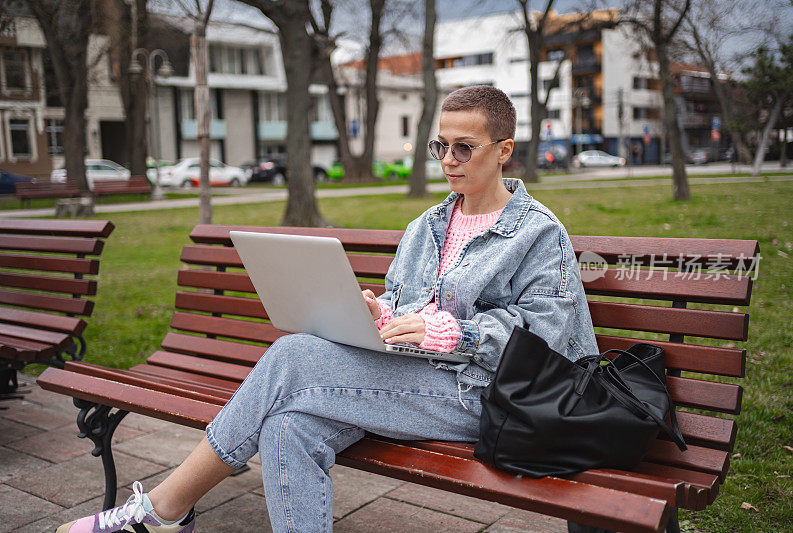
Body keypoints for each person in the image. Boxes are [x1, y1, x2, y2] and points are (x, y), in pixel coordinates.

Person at [57, 85, 598, 533]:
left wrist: (451, 333)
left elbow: (545, 336)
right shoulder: (428, 225)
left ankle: (161, 510)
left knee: (292, 357)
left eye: (465, 148)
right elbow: (406, 301)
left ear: (504, 149)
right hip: (414, 379)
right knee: (288, 426)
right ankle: (162, 513)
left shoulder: (537, 231)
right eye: (441, 146)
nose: (448, 161)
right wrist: (376, 312)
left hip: (485, 396)